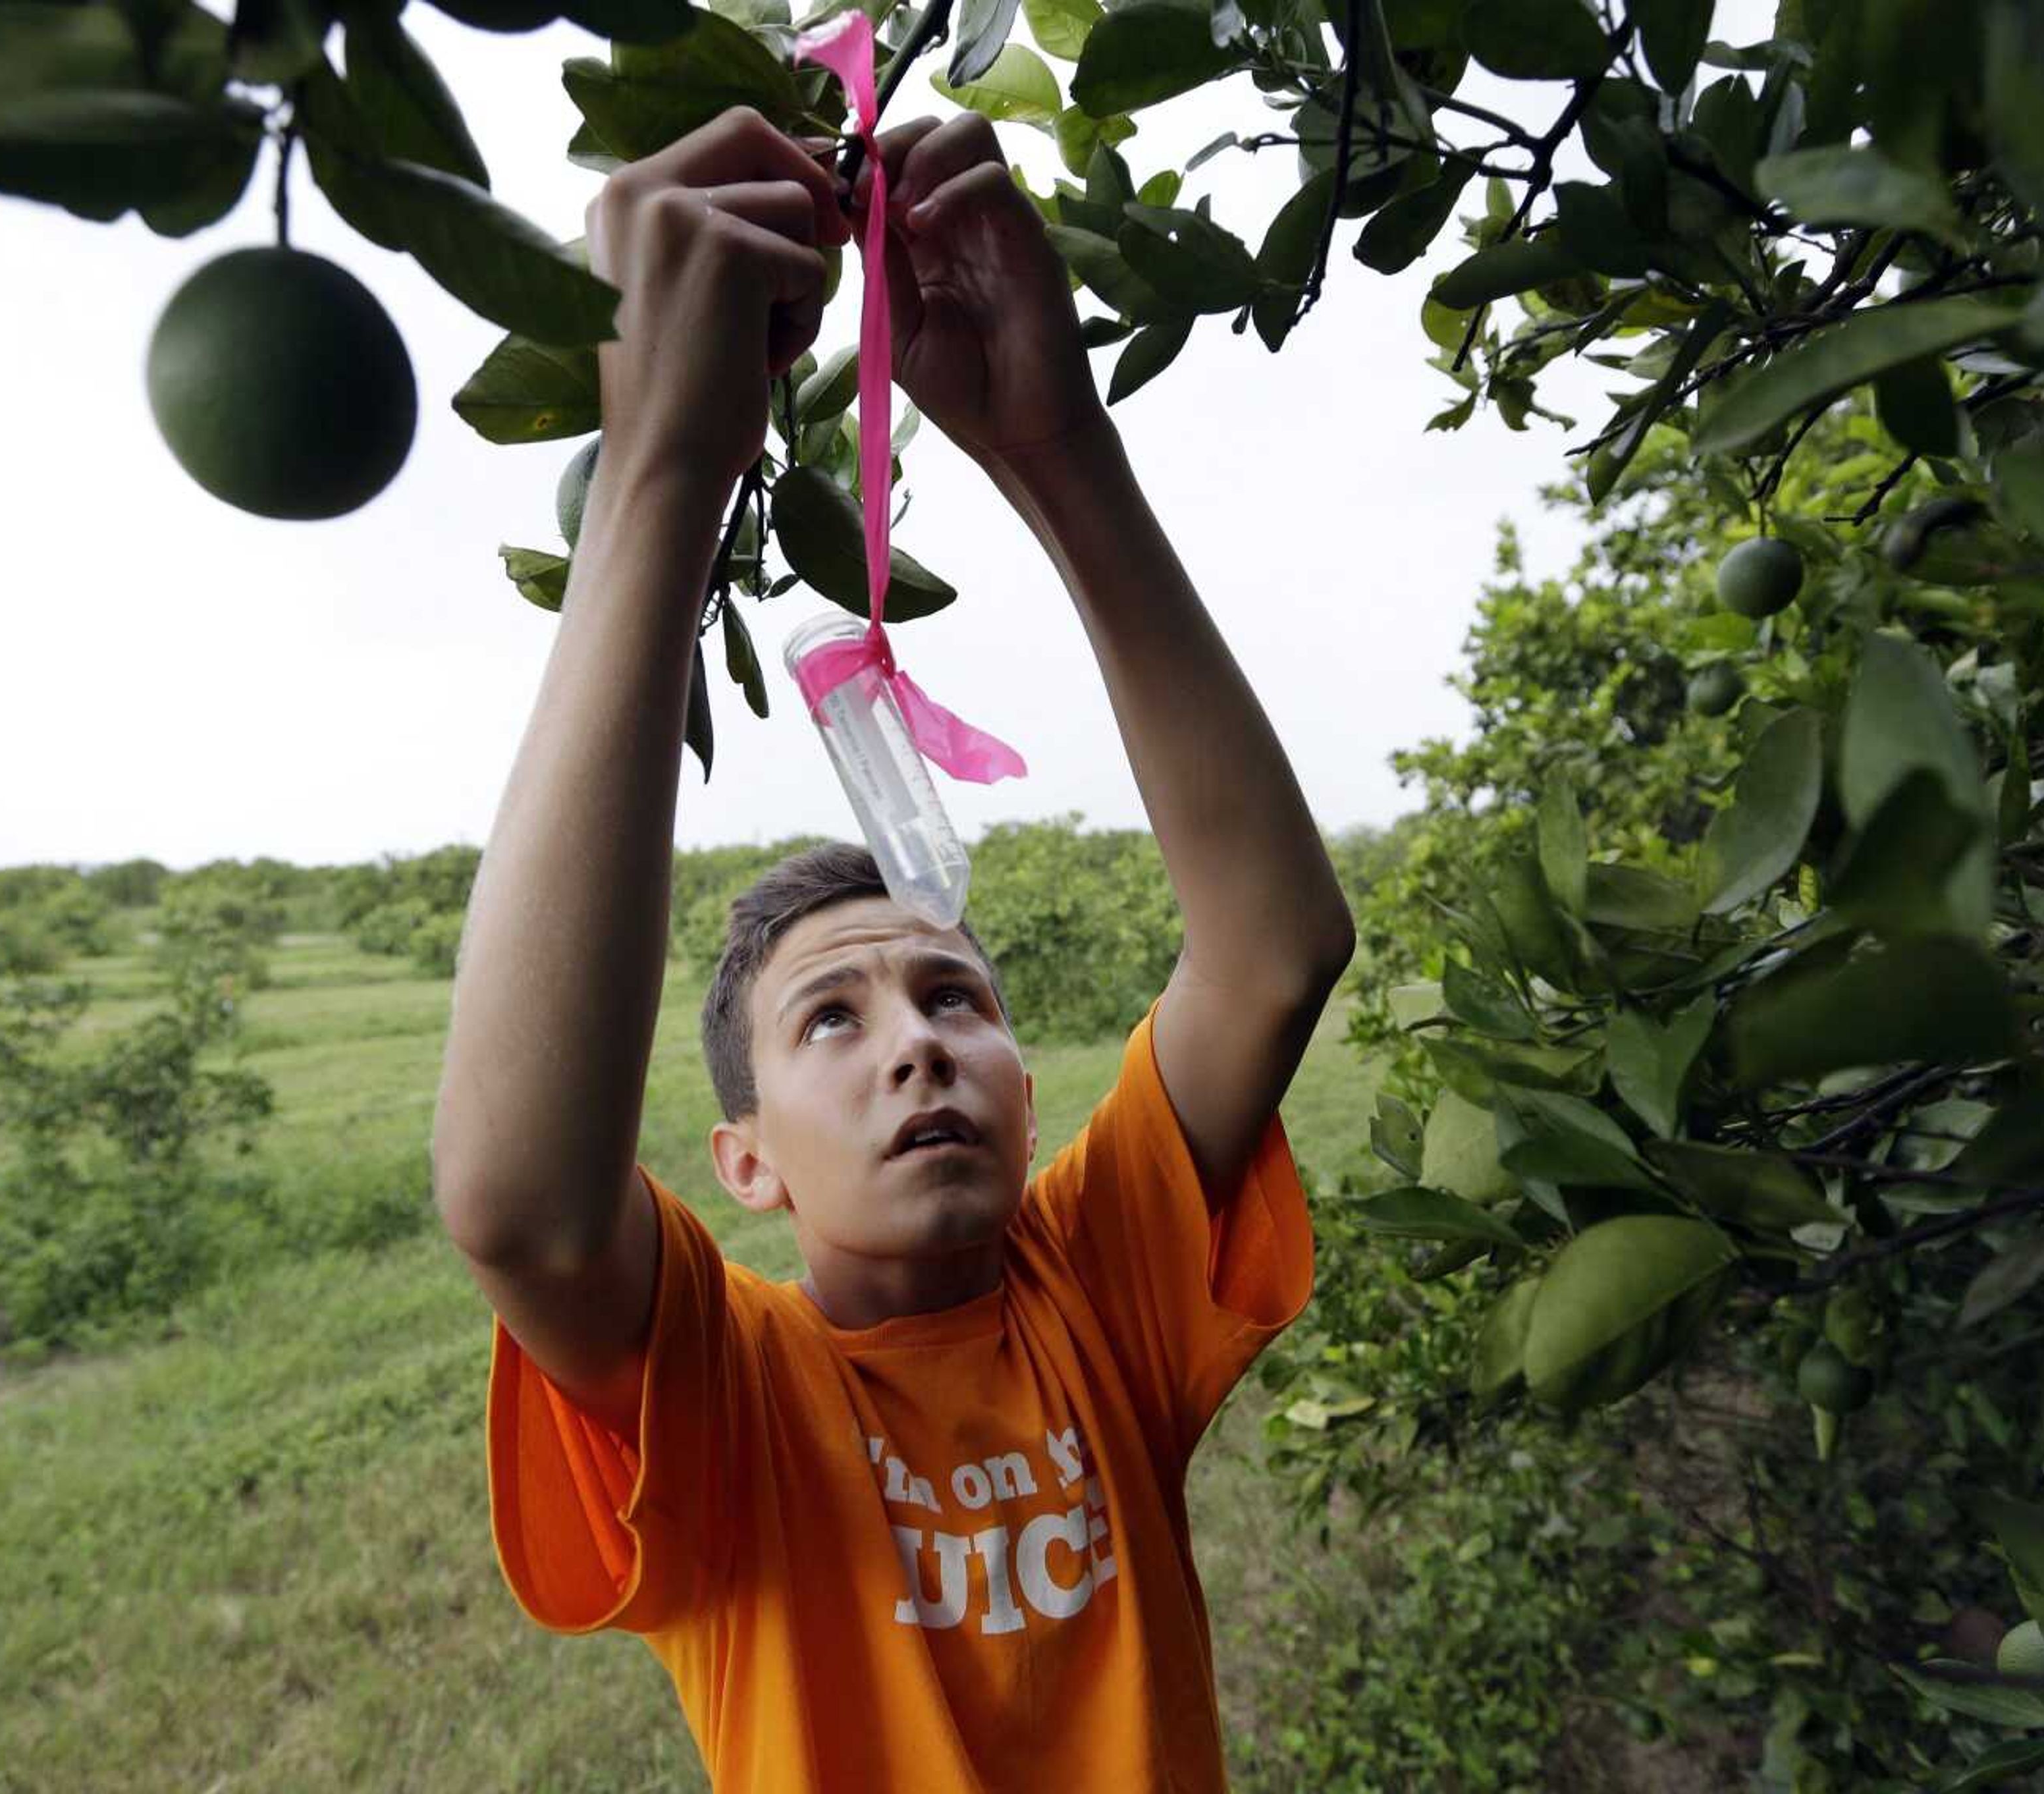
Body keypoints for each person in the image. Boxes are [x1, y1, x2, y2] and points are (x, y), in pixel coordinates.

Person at [430, 97, 1357, 1793]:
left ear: (1022, 1082)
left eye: (956, 997)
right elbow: (521, 1204)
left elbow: (1274, 949)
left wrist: (1055, 448)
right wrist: (659, 474)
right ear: (746, 1162)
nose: (919, 1038)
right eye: (831, 1024)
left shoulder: (1098, 1293)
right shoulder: (731, 1400)